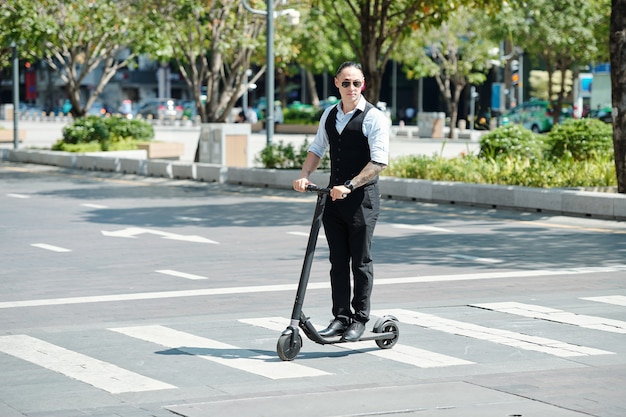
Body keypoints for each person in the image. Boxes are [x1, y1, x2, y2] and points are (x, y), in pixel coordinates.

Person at [292, 61, 390, 342]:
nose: (351, 88)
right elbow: (317, 148)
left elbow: (378, 162)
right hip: (333, 200)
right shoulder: (330, 115)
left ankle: (360, 318)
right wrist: (304, 176)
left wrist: (349, 186)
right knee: (337, 261)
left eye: (356, 83)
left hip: (362, 199)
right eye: (345, 83)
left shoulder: (374, 118)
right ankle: (340, 317)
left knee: (360, 261)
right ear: (336, 84)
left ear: (364, 85)